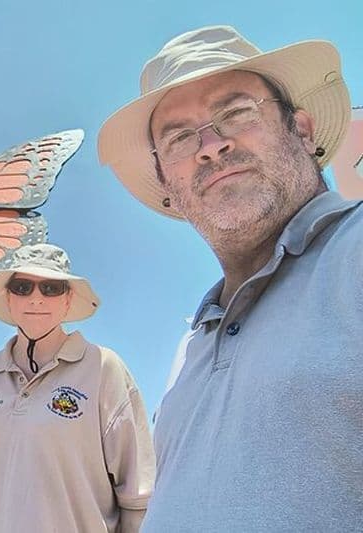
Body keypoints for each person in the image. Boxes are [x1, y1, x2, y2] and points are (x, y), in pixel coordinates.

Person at [98, 26, 362, 530]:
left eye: (237, 113)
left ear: (302, 130)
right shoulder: (190, 347)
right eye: (178, 138)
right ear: (166, 187)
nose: (211, 146)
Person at [0, 243, 155, 533]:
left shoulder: (104, 367)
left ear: (68, 299)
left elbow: (138, 501)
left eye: (51, 288)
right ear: (8, 297)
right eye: (22, 287)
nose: (36, 299)